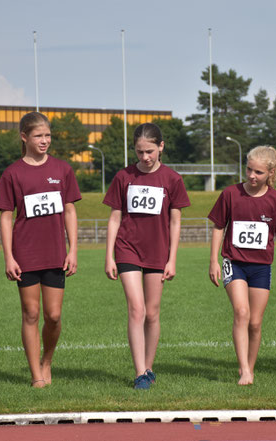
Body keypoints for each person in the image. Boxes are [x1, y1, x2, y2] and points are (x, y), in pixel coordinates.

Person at [0, 112, 81, 388]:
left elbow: (70, 210)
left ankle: (47, 360)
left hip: (55, 253)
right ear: (24, 137)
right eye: (38, 136)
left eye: (48, 136)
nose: (44, 141)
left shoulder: (62, 169)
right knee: (30, 314)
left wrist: (73, 249)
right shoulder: (12, 173)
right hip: (25, 255)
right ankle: (36, 375)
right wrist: (9, 256)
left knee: (53, 316)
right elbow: (6, 216)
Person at [103, 122, 190, 390]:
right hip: (127, 248)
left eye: (150, 151)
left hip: (158, 251)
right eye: (140, 152)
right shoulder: (123, 177)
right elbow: (115, 218)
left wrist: (172, 258)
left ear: (161, 147)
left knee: (152, 313)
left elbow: (175, 223)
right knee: (136, 309)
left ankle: (149, 367)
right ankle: (139, 372)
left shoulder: (173, 180)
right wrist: (109, 256)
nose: (145, 157)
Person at [209, 146, 276, 385]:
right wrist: (214, 260)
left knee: (255, 322)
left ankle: (250, 367)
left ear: (271, 172)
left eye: (258, 172)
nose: (252, 176)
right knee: (241, 312)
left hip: (261, 268)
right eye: (249, 169)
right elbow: (218, 227)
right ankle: (244, 369)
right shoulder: (230, 194)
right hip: (233, 263)